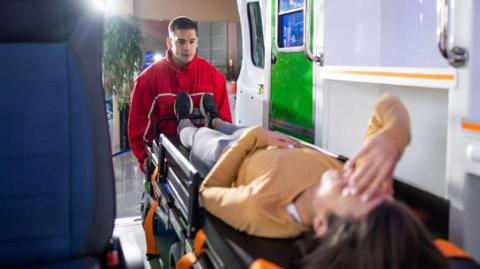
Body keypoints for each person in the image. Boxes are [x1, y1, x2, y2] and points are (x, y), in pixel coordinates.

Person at [175, 92, 450, 268]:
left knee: (202, 138)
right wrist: (392, 136)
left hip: (231, 154)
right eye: (382, 194)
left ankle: (185, 124)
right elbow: (387, 104)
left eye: (352, 190)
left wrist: (253, 139)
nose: (357, 177)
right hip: (270, 140)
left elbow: (208, 192)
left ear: (320, 225)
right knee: (231, 126)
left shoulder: (262, 209)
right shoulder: (355, 177)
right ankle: (216, 120)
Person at [128, 16, 232, 172]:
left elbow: (226, 119)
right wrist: (146, 162)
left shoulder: (214, 77)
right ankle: (186, 125)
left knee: (231, 130)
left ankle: (194, 123)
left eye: (191, 41)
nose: (187, 48)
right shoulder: (147, 80)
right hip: (166, 158)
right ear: (169, 42)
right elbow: (138, 129)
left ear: (197, 41)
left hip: (206, 154)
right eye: (181, 42)